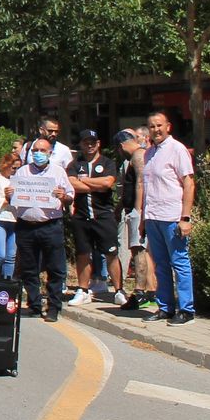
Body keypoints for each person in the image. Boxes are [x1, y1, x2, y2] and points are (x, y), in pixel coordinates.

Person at [11, 135, 76, 322]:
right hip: (26, 226)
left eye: (42, 151)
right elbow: (13, 199)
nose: (38, 154)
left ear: (50, 153)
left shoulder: (58, 172)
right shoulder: (23, 172)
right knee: (29, 268)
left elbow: (70, 196)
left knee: (55, 268)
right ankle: (34, 303)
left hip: (50, 225)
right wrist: (10, 194)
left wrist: (63, 196)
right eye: (35, 151)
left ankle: (54, 306)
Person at [140, 111, 197, 324]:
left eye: (159, 125)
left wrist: (186, 217)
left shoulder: (177, 149)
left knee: (179, 262)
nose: (156, 129)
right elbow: (148, 187)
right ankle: (165, 308)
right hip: (154, 216)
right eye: (152, 126)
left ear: (168, 126)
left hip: (173, 216)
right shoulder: (149, 153)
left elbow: (189, 183)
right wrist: (144, 219)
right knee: (161, 265)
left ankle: (186, 309)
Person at [66, 129, 122, 306]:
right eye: (85, 142)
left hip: (103, 214)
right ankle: (82, 290)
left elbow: (107, 183)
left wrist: (85, 181)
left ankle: (119, 290)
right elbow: (72, 183)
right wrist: (94, 185)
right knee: (83, 253)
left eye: (93, 142)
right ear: (81, 145)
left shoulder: (107, 162)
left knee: (111, 252)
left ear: (98, 144)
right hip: (81, 215)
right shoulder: (75, 164)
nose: (89, 145)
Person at [113, 127, 157, 310]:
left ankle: (140, 291)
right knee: (142, 250)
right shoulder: (136, 157)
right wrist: (121, 207)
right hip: (134, 208)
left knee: (138, 249)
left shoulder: (138, 156)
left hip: (138, 211)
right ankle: (150, 291)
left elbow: (141, 183)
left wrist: (137, 212)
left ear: (122, 145)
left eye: (118, 148)